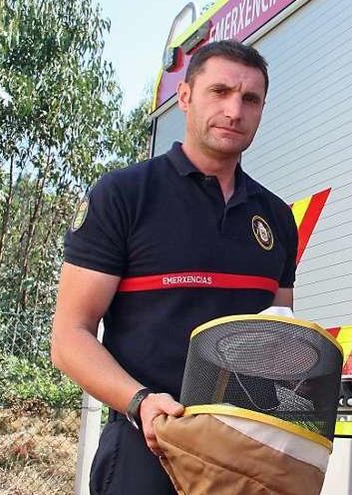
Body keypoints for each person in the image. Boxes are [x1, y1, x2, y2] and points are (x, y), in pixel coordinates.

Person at [50, 40, 298, 494]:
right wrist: (140, 402)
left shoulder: (277, 218)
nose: (234, 110)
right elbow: (69, 337)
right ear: (185, 97)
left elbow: (277, 337)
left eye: (250, 99)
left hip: (244, 460)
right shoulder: (124, 196)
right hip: (147, 447)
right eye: (219, 92)